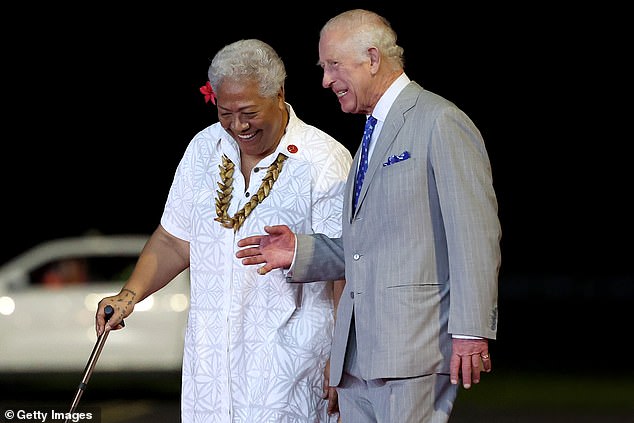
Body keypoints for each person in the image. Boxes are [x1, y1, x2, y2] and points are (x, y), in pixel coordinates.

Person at [236, 9, 502, 423]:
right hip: (359, 355)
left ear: (373, 59)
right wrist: (300, 252)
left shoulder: (440, 121)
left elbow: (475, 236)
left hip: (413, 348)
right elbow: (366, 249)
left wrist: (470, 331)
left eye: (333, 65)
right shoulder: (370, 137)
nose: (325, 80)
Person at [95, 38, 352, 422]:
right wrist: (129, 294)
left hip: (291, 372)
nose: (237, 126)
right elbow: (173, 239)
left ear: (279, 94)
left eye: (248, 111)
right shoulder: (203, 148)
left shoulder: (323, 160)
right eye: (225, 112)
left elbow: (345, 264)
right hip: (210, 376)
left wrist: (342, 355)